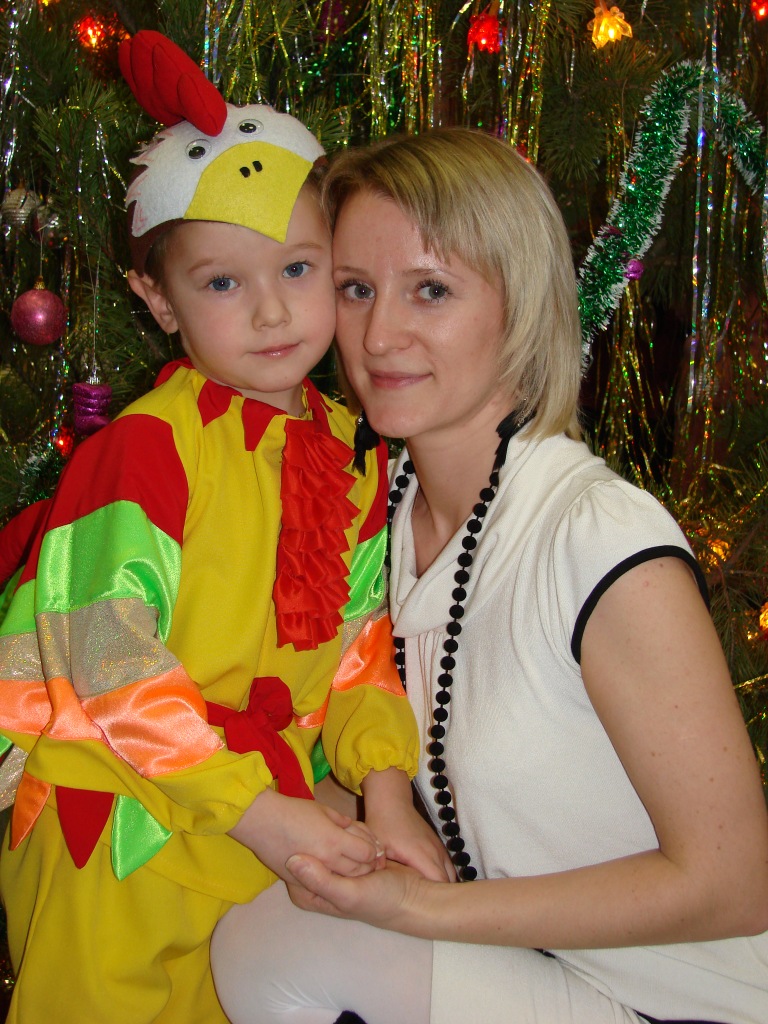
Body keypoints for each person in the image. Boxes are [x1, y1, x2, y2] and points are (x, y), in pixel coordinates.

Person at [210, 128, 768, 1024]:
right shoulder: (372, 509)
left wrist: (419, 909)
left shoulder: (595, 538)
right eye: (355, 288)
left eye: (431, 289)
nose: (379, 335)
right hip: (535, 978)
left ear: (521, 303)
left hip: (687, 1005)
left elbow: (734, 884)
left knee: (276, 949)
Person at [0, 32, 448, 1024]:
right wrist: (261, 812)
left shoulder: (350, 447)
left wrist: (384, 788)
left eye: (298, 268)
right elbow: (107, 654)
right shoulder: (146, 451)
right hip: (117, 829)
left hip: (252, 828)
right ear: (158, 300)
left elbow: (356, 648)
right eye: (221, 284)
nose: (272, 313)